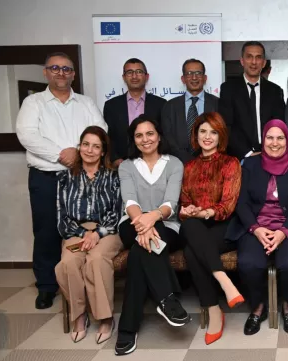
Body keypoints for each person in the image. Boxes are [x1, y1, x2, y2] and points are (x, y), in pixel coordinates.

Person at [16, 51, 107, 309]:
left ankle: (80, 280)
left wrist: (78, 153)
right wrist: (62, 154)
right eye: (55, 68)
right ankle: (46, 286)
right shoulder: (33, 103)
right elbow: (27, 136)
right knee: (46, 230)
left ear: (73, 74)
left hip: (82, 175)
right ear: (46, 72)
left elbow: (101, 131)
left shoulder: (86, 103)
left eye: (66, 69)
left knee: (82, 227)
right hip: (46, 176)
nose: (61, 73)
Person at [114, 116, 189, 356]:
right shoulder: (126, 166)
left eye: (150, 133)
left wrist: (152, 218)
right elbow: (130, 201)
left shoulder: (174, 163)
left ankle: (128, 328)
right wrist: (143, 223)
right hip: (132, 222)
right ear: (133, 140)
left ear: (159, 136)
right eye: (139, 135)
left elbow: (171, 203)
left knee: (139, 252)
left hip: (166, 222)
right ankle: (167, 299)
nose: (145, 139)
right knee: (144, 244)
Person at [227, 120, 288, 335]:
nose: (274, 143)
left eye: (280, 137)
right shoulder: (250, 165)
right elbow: (242, 203)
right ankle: (258, 306)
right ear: (263, 139)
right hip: (256, 227)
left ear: (287, 140)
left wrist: (283, 232)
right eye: (270, 137)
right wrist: (255, 228)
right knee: (249, 263)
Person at [179, 112, 244, 345]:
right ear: (196, 135)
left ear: (221, 136)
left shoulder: (231, 163)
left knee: (191, 249)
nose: (207, 137)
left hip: (224, 226)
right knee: (192, 228)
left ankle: (215, 309)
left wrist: (205, 211)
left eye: (213, 132)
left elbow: (228, 204)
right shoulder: (189, 166)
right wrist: (187, 211)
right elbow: (184, 201)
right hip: (196, 225)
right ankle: (223, 283)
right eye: (203, 131)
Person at [55, 126, 122, 344]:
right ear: (79, 147)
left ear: (103, 151)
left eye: (96, 146)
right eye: (86, 144)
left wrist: (97, 233)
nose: (90, 150)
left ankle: (105, 318)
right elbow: (62, 215)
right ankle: (79, 315)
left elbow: (118, 211)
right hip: (76, 229)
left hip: (108, 230)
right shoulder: (65, 178)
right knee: (68, 263)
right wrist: (85, 233)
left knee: (95, 260)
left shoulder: (113, 176)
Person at [220, 41, 286, 159]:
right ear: (242, 61)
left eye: (258, 57)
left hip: (269, 155)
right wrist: (248, 153)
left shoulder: (275, 91)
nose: (254, 62)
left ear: (264, 63)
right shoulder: (228, 89)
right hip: (239, 157)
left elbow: (278, 125)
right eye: (249, 57)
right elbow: (226, 126)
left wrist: (268, 151)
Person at [103, 58, 166, 167]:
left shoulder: (161, 104)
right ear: (124, 77)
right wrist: (115, 159)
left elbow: (164, 134)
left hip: (154, 164)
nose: (134, 76)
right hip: (122, 164)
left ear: (146, 77)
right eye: (129, 72)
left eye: (139, 72)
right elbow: (109, 137)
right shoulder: (111, 105)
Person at [161, 58, 219, 164]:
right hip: (178, 164)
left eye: (198, 73)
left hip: (211, 163)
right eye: (189, 73)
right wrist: (185, 159)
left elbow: (222, 134)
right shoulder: (170, 106)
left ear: (205, 78)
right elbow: (167, 136)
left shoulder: (217, 104)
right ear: (183, 79)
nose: (194, 77)